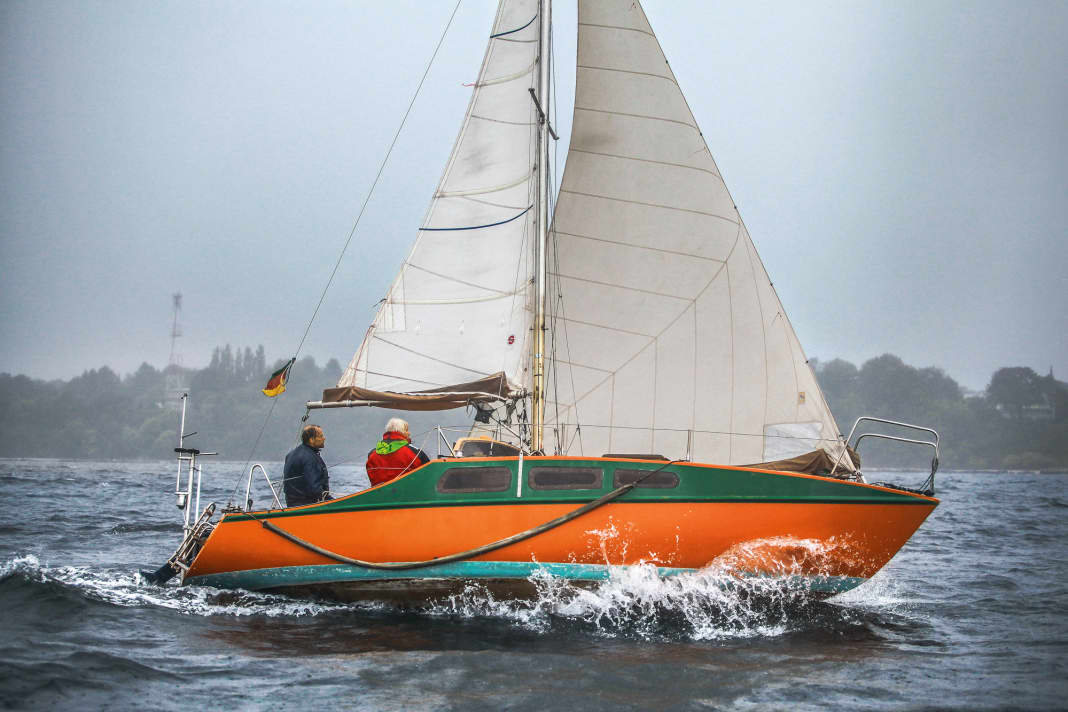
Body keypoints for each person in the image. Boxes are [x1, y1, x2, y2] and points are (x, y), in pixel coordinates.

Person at [365, 417, 429, 486]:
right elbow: (430, 473)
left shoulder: (372, 454)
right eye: (407, 430)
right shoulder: (415, 453)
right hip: (408, 493)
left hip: (378, 494)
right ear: (402, 431)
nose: (409, 433)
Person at [283, 424, 331, 507]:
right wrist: (332, 502)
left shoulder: (290, 454)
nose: (324, 438)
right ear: (312, 440)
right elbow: (314, 487)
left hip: (292, 505)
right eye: (321, 436)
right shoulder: (309, 458)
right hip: (308, 506)